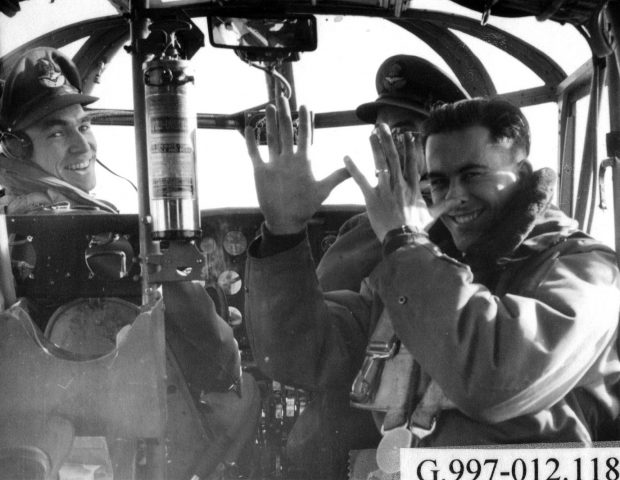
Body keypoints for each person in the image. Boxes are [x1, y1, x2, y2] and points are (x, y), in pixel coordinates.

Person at [244, 94, 620, 474]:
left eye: (473, 175)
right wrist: (283, 233)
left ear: (522, 175)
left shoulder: (585, 270)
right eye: (439, 182)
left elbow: (493, 380)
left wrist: (406, 242)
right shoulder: (417, 265)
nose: (455, 196)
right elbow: (303, 357)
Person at [0, 47, 259, 477]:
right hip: (142, 449)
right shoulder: (115, 238)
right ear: (14, 147)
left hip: (47, 444)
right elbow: (218, 360)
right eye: (57, 133)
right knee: (246, 392)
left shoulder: (8, 232)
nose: (83, 144)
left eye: (84, 125)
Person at [285, 55, 469, 479]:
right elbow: (312, 338)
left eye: (404, 134)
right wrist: (285, 231)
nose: (385, 148)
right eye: (380, 134)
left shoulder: (466, 233)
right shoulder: (358, 230)